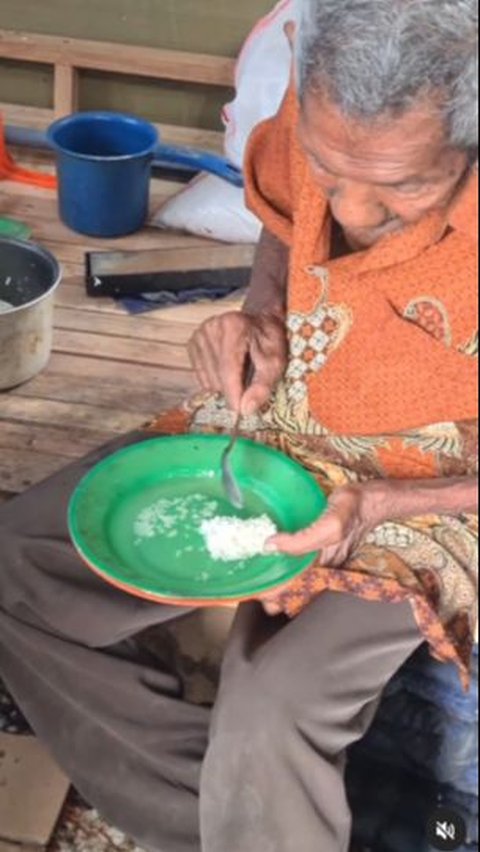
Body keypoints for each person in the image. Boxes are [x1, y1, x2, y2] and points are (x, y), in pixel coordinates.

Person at [0, 1, 477, 850]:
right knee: (20, 564)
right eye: (335, 172)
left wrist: (374, 506)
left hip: (439, 487)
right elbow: (287, 219)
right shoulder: (324, 97)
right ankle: (211, 824)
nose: (357, 216)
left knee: (272, 710)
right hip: (291, 405)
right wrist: (259, 315)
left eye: (405, 187)